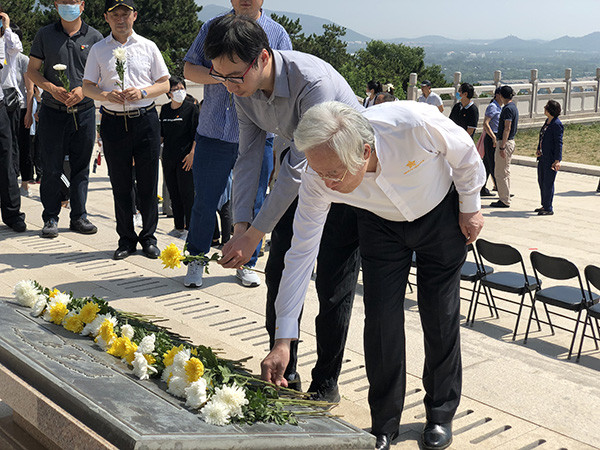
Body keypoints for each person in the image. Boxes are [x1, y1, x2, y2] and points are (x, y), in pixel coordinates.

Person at [260, 101, 485, 450]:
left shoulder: (411, 125)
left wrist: (470, 206)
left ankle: (440, 413)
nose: (326, 181)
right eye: (320, 172)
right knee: (380, 319)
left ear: (364, 151)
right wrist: (283, 339)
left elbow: (466, 154)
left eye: (334, 173)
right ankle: (384, 422)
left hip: (441, 214)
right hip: (381, 226)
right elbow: (301, 254)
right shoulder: (318, 173)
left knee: (439, 315)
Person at [206, 15, 362, 401]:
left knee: (332, 282)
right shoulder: (241, 90)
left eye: (235, 76)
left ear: (261, 58)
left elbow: (298, 166)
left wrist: (256, 233)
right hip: (303, 177)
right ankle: (283, 366)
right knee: (278, 271)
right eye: (220, 76)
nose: (229, 85)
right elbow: (248, 155)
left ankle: (326, 380)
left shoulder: (313, 83)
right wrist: (242, 227)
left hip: (344, 179)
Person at [182, 0, 292, 289]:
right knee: (205, 200)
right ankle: (196, 258)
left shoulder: (277, 33)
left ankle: (248, 262)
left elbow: (284, 80)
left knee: (255, 201)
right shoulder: (213, 28)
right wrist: (223, 76)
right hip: (215, 131)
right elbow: (189, 69)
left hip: (260, 132)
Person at [82, 0, 170, 260]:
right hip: (112, 119)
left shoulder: (148, 46)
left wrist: (142, 91)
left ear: (134, 16)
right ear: (107, 18)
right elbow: (87, 86)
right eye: (115, 14)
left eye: (125, 14)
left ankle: (149, 237)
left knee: (148, 182)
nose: (120, 19)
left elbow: (164, 83)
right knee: (120, 183)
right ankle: (126, 238)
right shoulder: (99, 49)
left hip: (144, 118)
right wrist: (105, 94)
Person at [27, 0, 102, 239]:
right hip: (52, 110)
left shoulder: (95, 37)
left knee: (81, 167)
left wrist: (83, 90)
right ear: (56, 5)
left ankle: (79, 216)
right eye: (63, 1)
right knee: (50, 167)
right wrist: (50, 88)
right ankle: (50, 217)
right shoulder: (45, 34)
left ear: (82, 5)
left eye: (73, 1)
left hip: (85, 111)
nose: (68, 5)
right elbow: (32, 70)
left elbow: (104, 74)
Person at [160, 76, 198, 238]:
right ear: (169, 93)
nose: (179, 91)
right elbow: (161, 134)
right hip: (168, 157)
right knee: (173, 193)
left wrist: (192, 154)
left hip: (186, 158)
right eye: (175, 89)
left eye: (182, 88)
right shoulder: (165, 109)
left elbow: (198, 134)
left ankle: (190, 228)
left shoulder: (191, 109)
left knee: (187, 194)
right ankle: (178, 226)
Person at [0, 8, 26, 233]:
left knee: (7, 156)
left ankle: (12, 213)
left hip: (2, 103)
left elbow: (17, 47)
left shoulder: (6, 40)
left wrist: (6, 27)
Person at [490, 85, 518, 208]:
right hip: (510, 142)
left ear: (501, 95)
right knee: (505, 171)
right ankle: (505, 196)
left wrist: (502, 146)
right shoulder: (513, 107)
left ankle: (504, 200)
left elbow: (507, 127)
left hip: (505, 142)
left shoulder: (507, 109)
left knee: (500, 172)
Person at [535, 99, 563, 215]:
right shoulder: (547, 122)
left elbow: (558, 143)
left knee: (548, 183)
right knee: (541, 181)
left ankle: (548, 208)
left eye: (546, 106)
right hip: (542, 157)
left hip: (550, 159)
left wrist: (557, 160)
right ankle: (544, 204)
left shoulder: (557, 124)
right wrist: (538, 149)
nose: (544, 108)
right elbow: (542, 137)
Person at [480, 87, 502, 197]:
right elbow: (486, 123)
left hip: (495, 136)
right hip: (491, 137)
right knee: (493, 164)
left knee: (487, 164)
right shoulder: (493, 107)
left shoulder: (498, 107)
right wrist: (493, 137)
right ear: (497, 95)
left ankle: (481, 187)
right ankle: (500, 189)